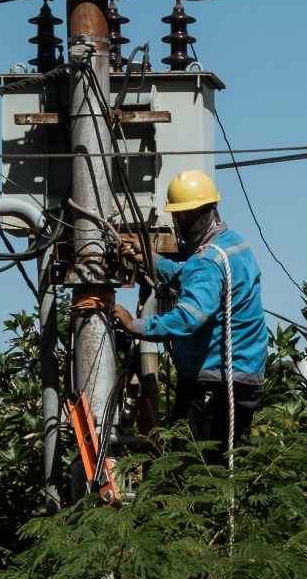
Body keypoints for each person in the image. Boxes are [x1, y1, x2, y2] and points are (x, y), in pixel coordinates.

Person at [111, 170, 267, 464]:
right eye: (179, 216)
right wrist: (151, 259)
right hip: (242, 374)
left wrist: (137, 326)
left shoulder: (206, 261)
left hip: (216, 382)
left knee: (195, 471)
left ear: (207, 212)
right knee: (222, 464)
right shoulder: (233, 245)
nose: (180, 223)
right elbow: (193, 280)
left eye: (185, 216)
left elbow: (188, 317)